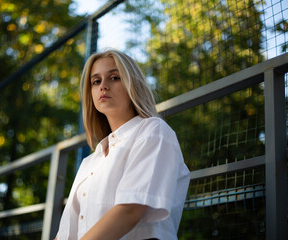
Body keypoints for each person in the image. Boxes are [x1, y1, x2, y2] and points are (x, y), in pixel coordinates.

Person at [56, 49, 190, 240]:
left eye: (114, 77)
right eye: (96, 81)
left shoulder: (154, 131)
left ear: (132, 84)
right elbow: (64, 235)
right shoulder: (88, 163)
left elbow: (130, 210)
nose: (103, 86)